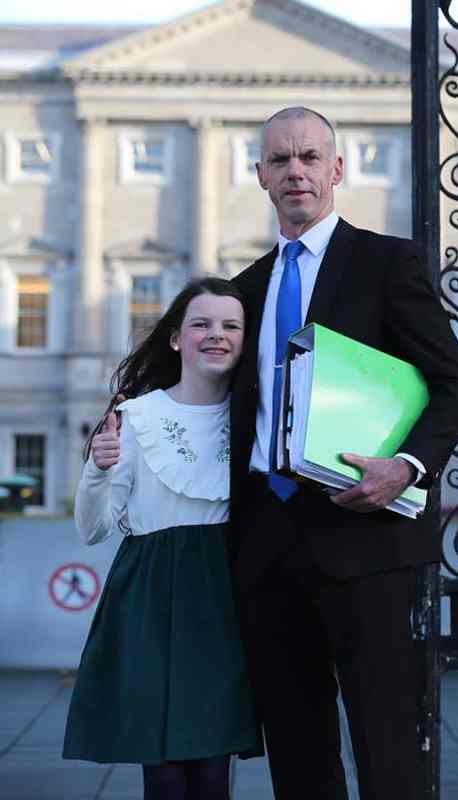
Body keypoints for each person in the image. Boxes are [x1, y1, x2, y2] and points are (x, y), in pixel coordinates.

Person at [229, 107, 458, 800]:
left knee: (387, 747)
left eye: (309, 156)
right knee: (298, 756)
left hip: (366, 541)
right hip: (267, 545)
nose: (295, 171)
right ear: (261, 177)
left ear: (336, 169)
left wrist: (407, 467)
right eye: (279, 160)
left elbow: (457, 389)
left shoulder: (386, 263)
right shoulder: (244, 289)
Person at [62, 277, 260, 800]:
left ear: (245, 339)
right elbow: (93, 529)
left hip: (227, 594)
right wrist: (98, 471)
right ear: (176, 339)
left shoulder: (256, 417)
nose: (216, 335)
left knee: (213, 767)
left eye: (230, 326)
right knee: (167, 771)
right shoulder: (136, 416)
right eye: (201, 324)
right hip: (151, 593)